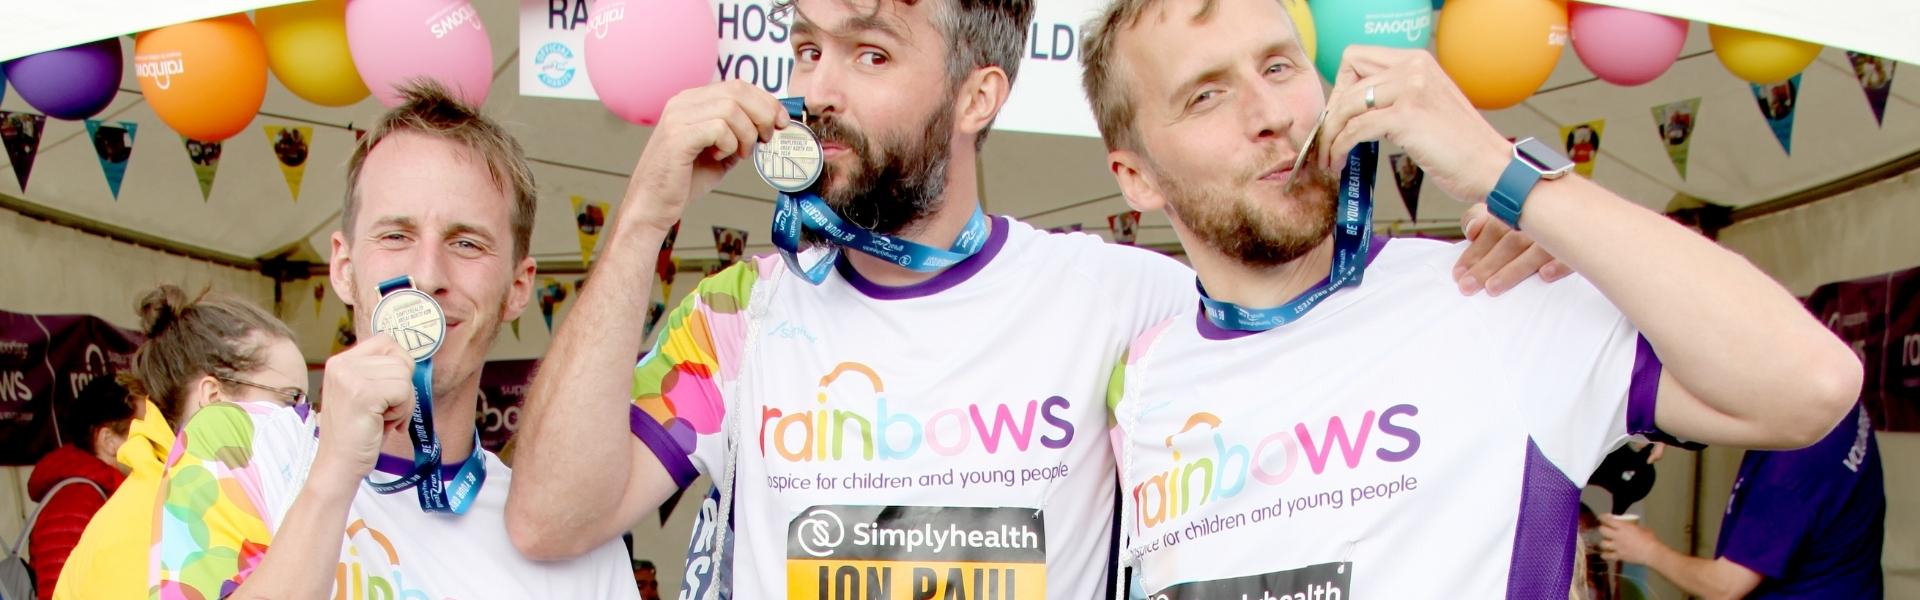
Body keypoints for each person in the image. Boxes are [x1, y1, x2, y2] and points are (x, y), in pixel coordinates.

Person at [505, 0, 1561, 596]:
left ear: (978, 95)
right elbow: (552, 518)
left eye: (870, 51)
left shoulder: (1132, 306)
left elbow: (1324, 303)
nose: (817, 88)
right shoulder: (740, 314)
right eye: (807, 49)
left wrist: (1530, 198)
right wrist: (643, 216)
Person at [1078, 0, 1862, 596]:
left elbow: (1810, 388)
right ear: (1136, 177)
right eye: (1206, 96)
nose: (1270, 116)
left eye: (1280, 67)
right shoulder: (1146, 381)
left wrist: (1512, 177)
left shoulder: (1493, 290)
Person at [147, 82, 637, 599]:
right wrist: (333, 475)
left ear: (518, 289)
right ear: (343, 267)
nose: (426, 276)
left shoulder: (566, 536)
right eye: (396, 236)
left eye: (466, 243)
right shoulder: (240, 448)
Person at [54, 285, 300, 599]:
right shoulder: (142, 531)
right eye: (291, 399)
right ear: (213, 398)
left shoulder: (218, 499)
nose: (303, 418)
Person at [1599, 401, 1884, 598]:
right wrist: (1677, 424)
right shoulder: (1833, 397)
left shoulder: (1791, 470)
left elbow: (1725, 587)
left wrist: (1648, 551)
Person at [24, 376, 132, 600]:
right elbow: (57, 593)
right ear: (108, 439)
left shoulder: (109, 492)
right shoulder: (74, 501)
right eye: (140, 430)